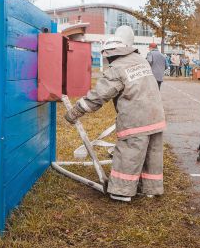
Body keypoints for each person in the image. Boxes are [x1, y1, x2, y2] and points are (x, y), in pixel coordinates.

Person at [64, 25, 166, 202]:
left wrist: (76, 111)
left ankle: (121, 191)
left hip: (136, 120)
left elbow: (99, 95)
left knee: (129, 152)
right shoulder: (140, 60)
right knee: (152, 154)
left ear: (113, 52)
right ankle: (151, 188)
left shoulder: (117, 68)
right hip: (156, 117)